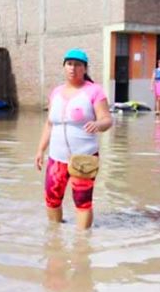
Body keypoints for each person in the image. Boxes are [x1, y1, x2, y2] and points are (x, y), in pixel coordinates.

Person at [35, 49, 112, 228]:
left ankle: (83, 241)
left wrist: (98, 124)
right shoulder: (56, 92)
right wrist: (40, 150)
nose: (73, 68)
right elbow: (49, 124)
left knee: (82, 201)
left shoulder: (94, 91)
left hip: (84, 157)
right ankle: (55, 236)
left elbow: (107, 120)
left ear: (85, 68)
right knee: (52, 198)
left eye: (78, 65)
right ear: (64, 67)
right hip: (56, 157)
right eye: (69, 64)